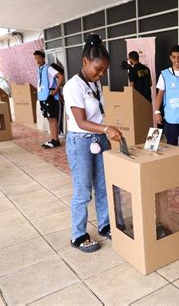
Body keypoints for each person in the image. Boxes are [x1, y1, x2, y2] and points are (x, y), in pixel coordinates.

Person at [63, 34, 123, 253]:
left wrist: (105, 130)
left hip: (99, 139)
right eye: (98, 69)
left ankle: (105, 224)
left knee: (103, 186)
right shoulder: (73, 87)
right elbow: (80, 121)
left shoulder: (95, 84)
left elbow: (97, 113)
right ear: (85, 61)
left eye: (104, 70)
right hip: (81, 142)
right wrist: (107, 129)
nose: (101, 74)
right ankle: (78, 235)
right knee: (82, 191)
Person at [34, 50, 64, 148]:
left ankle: (56, 140)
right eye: (35, 58)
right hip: (43, 96)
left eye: (39, 58)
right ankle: (53, 138)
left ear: (43, 58)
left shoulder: (48, 68)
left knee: (53, 118)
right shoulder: (39, 69)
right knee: (49, 118)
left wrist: (55, 90)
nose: (37, 60)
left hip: (50, 96)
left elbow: (60, 77)